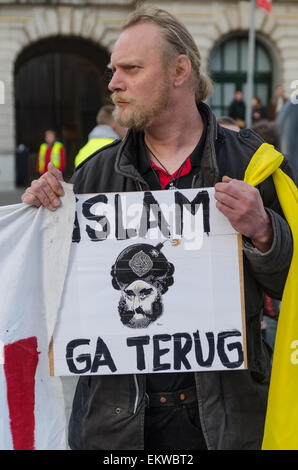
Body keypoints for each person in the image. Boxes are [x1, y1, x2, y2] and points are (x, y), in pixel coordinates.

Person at [21, 7, 295, 450]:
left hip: (225, 424)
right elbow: (48, 295)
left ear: (179, 70)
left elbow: (291, 288)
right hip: (117, 427)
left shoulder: (253, 165)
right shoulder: (92, 178)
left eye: (130, 69)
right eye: (114, 70)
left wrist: (264, 232)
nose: (113, 83)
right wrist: (39, 225)